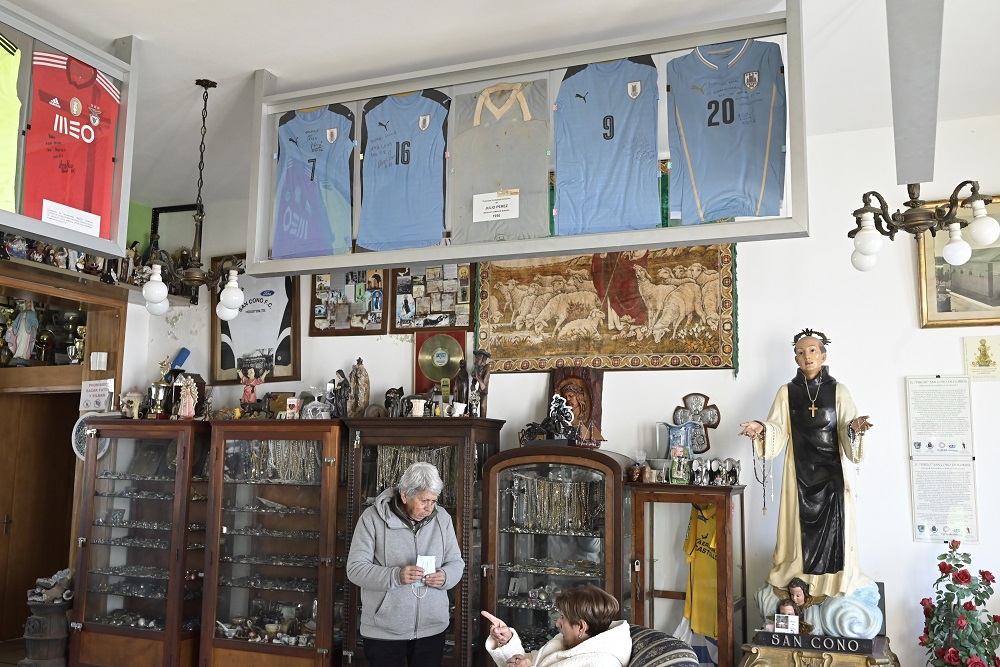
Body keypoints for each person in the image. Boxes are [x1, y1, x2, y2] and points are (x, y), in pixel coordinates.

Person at [739, 329, 874, 598]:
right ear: (796, 359)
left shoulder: (839, 391)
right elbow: (777, 426)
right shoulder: (787, 392)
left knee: (837, 527)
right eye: (801, 352)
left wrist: (854, 429)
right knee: (797, 532)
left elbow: (849, 425)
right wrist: (761, 429)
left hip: (831, 472)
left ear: (823, 355)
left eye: (812, 350)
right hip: (798, 471)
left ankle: (833, 584)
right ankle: (799, 580)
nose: (807, 356)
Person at [347, 462, 464, 667]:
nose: (429, 508)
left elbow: (456, 562)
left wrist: (445, 576)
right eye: (424, 501)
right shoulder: (371, 519)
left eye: (434, 501)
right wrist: (395, 576)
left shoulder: (443, 518)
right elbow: (355, 569)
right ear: (404, 495)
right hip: (384, 632)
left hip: (432, 629)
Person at [482, 586, 631, 667]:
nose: (557, 623)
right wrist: (507, 640)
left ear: (581, 627)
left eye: (563, 618)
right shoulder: (566, 642)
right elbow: (527, 661)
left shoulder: (601, 663)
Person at [471, 348, 491, 417]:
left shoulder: (487, 367)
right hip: (478, 392)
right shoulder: (477, 367)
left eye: (478, 359)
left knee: (482, 407)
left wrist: (477, 378)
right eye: (476, 358)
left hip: (483, 392)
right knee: (472, 406)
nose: (476, 360)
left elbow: (483, 386)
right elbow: (473, 382)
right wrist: (473, 385)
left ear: (483, 359)